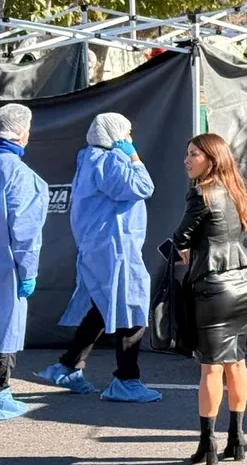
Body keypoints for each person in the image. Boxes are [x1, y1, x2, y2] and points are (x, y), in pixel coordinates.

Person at [35, 113, 161, 403]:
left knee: (102, 306)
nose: (129, 138)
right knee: (132, 308)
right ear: (115, 135)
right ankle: (126, 380)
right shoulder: (110, 161)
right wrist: (134, 158)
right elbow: (144, 187)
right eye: (126, 133)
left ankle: (68, 366)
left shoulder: (88, 159)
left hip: (98, 247)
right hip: (116, 247)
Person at [171, 134, 247, 464]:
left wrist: (185, 249)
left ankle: (207, 445)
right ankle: (237, 439)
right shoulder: (234, 188)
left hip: (214, 286)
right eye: (187, 153)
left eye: (194, 154)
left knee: (210, 368)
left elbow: (181, 236)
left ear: (212, 158)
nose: (186, 160)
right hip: (243, 282)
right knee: (236, 361)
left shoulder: (201, 193)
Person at [0, 105, 48, 421]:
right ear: (22, 133)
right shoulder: (19, 175)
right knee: (5, 329)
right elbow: (25, 232)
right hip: (6, 270)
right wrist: (28, 272)